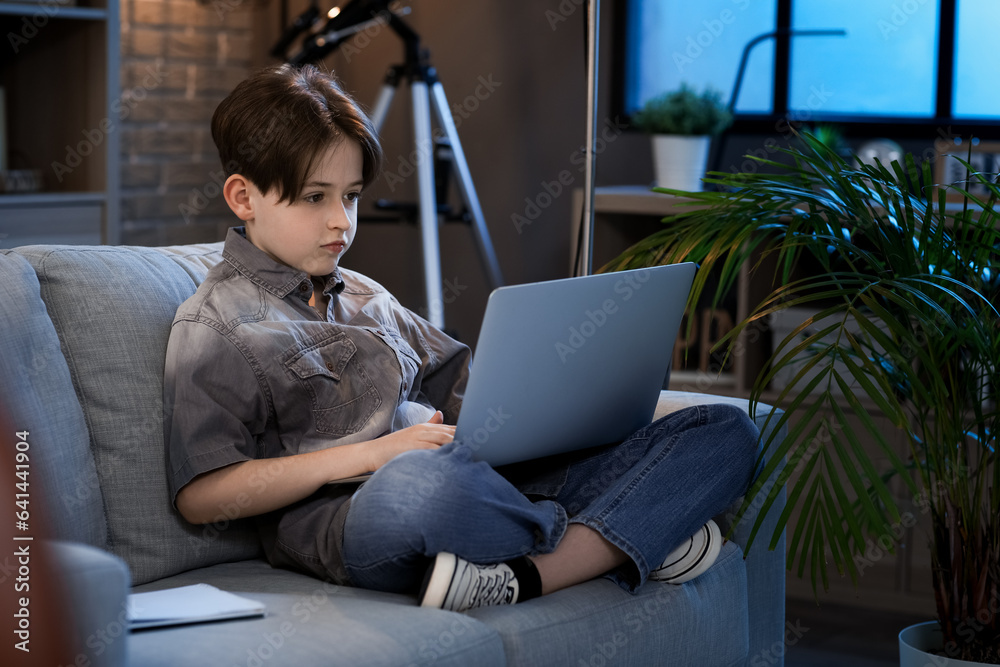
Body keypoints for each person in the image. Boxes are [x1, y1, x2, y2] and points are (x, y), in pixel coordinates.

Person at [163, 63, 760, 613]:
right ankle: (627, 532)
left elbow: (473, 404)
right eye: (316, 198)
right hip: (363, 516)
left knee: (724, 428)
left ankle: (524, 572)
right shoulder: (216, 325)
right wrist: (371, 456)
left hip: (479, 480)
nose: (342, 221)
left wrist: (567, 408)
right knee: (423, 486)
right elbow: (203, 494)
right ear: (244, 197)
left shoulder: (372, 299)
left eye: (349, 196)